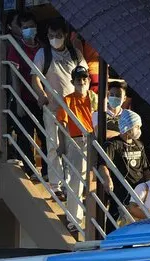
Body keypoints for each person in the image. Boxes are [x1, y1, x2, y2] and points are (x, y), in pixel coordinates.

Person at [31, 18, 87, 201]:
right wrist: (41, 95)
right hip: (53, 108)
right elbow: (35, 79)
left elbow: (84, 77)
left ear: (65, 36)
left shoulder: (75, 53)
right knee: (54, 146)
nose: (55, 39)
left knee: (72, 148)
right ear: (47, 36)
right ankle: (55, 185)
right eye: (51, 36)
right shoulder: (42, 54)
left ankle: (71, 184)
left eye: (59, 36)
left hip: (73, 110)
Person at [56, 65, 98, 232]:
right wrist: (62, 144)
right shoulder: (67, 100)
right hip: (77, 141)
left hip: (94, 140)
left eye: (84, 78)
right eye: (78, 79)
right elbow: (62, 124)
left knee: (94, 181)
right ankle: (74, 220)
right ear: (73, 81)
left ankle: (93, 219)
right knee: (76, 182)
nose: (81, 81)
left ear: (88, 80)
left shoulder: (94, 97)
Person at [6, 11, 44, 179]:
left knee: (45, 135)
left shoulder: (42, 47)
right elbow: (14, 77)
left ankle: (48, 171)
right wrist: (19, 102)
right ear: (20, 29)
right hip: (25, 98)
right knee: (25, 134)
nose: (30, 29)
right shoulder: (16, 48)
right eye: (26, 27)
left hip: (42, 99)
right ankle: (30, 169)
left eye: (32, 26)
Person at [98, 109, 150, 229]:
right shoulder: (113, 144)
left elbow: (145, 168)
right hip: (120, 188)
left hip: (137, 188)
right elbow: (102, 165)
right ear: (128, 126)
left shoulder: (139, 145)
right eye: (137, 127)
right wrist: (107, 179)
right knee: (115, 216)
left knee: (135, 219)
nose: (139, 130)